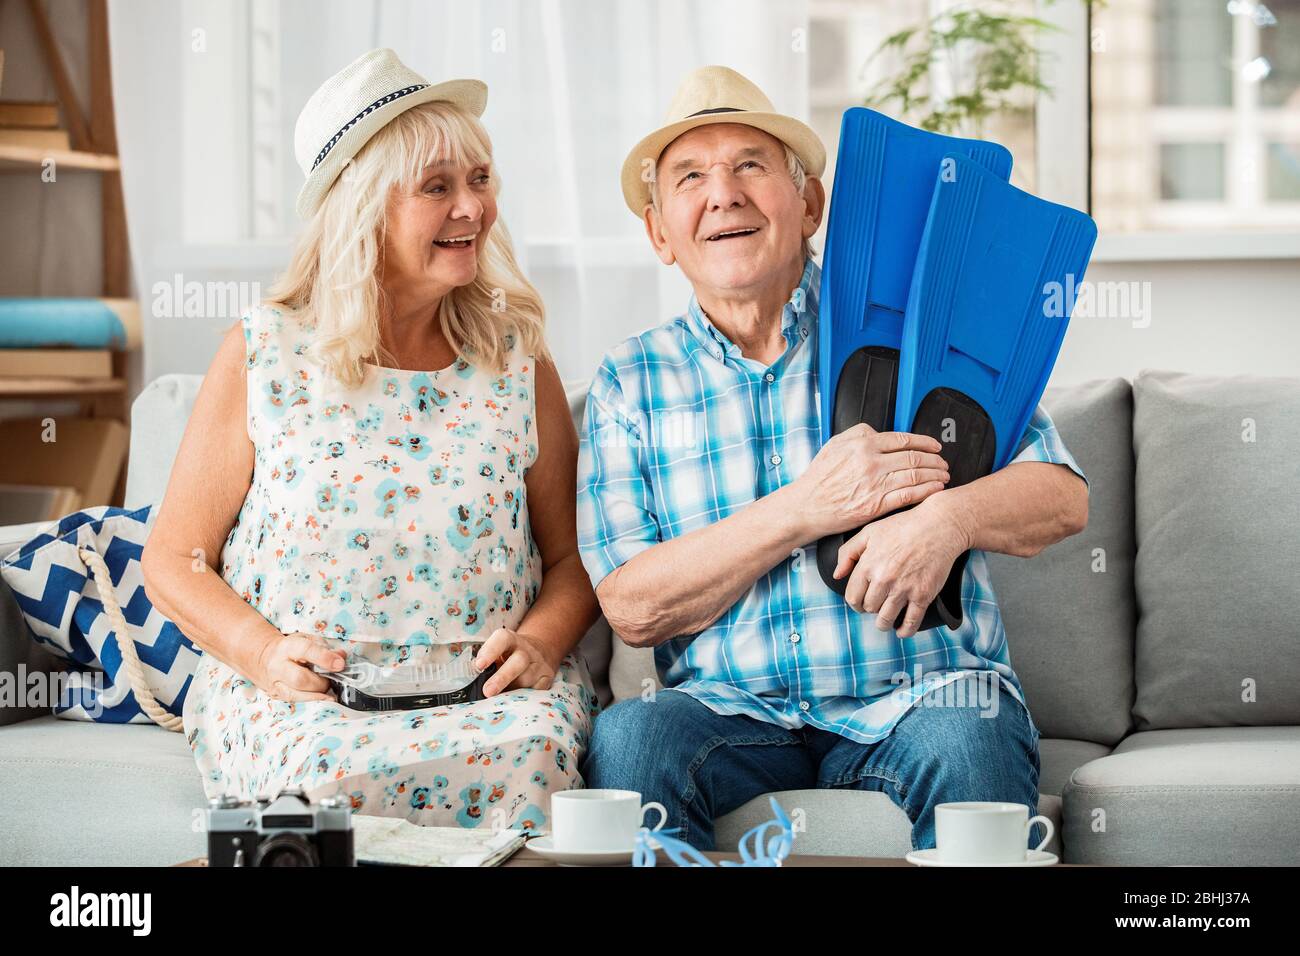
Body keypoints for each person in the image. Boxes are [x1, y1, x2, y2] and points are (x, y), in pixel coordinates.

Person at [577, 66, 1089, 851]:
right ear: (660, 233)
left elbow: (1061, 499)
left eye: (751, 163)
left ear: (810, 204)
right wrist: (804, 508)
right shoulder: (630, 380)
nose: (724, 193)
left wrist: (948, 520)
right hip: (728, 715)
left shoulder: (906, 327)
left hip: (922, 695)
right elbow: (633, 606)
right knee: (633, 738)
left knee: (969, 737)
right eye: (690, 176)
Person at [142, 49, 599, 832]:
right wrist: (260, 655)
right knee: (321, 784)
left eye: (480, 179)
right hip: (309, 700)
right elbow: (174, 559)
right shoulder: (263, 353)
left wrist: (542, 644)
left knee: (535, 755)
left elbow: (570, 562)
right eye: (438, 187)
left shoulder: (519, 365)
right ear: (362, 209)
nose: (474, 209)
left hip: (486, 700)